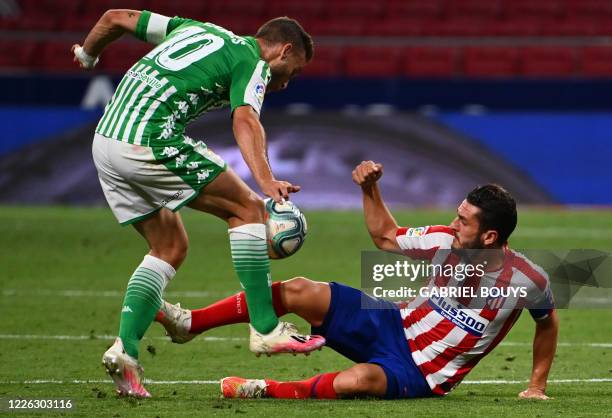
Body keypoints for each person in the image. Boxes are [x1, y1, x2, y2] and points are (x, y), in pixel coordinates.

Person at [72, 9, 323, 397]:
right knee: (249, 209)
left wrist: (88, 54)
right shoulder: (252, 61)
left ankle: (125, 351)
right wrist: (265, 179)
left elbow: (114, 17)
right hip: (149, 138)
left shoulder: (193, 28)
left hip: (105, 141)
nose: (288, 82)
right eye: (295, 71)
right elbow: (245, 120)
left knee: (169, 246)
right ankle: (267, 328)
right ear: (284, 51)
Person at [158, 161, 559, 400]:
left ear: (490, 237)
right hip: (392, 323)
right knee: (300, 289)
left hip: (422, 373)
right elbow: (385, 236)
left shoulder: (527, 279)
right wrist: (370, 189)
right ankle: (191, 323)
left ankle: (264, 388)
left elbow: (547, 321)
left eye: (463, 221)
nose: (453, 224)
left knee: (361, 380)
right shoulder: (443, 239)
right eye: (457, 214)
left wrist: (536, 384)